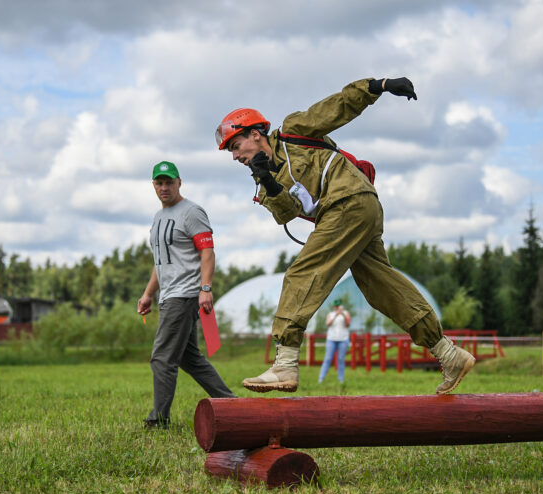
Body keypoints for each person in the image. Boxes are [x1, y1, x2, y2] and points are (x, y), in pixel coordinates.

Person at [215, 77, 475, 395]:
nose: (234, 156)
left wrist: (379, 85)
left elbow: (338, 107)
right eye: (230, 151)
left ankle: (284, 362)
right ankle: (449, 354)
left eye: (235, 146)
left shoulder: (293, 131)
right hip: (354, 212)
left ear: (255, 134)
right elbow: (285, 212)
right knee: (380, 286)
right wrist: (268, 181)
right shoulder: (261, 182)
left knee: (302, 274)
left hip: (349, 200)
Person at [137, 160, 235, 429]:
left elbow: (207, 252)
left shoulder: (192, 212)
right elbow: (162, 262)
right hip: (168, 295)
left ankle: (159, 420)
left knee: (162, 357)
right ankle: (232, 404)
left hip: (185, 294)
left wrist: (205, 288)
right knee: (187, 357)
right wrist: (148, 294)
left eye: (169, 182)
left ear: (179, 183)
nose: (164, 187)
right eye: (159, 182)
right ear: (154, 185)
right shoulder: (158, 218)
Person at [318, 299, 351, 384]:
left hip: (343, 339)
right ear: (334, 307)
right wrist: (336, 315)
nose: (337, 307)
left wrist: (342, 314)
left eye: (338, 306)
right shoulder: (331, 314)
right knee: (328, 359)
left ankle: (341, 379)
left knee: (340, 359)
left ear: (341, 306)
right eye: (336, 306)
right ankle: (321, 378)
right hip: (331, 339)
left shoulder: (346, 313)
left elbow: (348, 324)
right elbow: (328, 324)